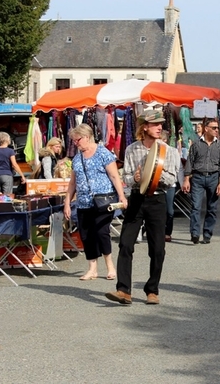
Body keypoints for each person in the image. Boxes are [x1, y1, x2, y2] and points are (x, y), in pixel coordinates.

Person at [105, 109, 179, 306]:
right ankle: (123, 290)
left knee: (157, 249)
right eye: (155, 124)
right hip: (137, 198)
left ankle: (152, 290)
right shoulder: (131, 149)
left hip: (157, 199)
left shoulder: (169, 151)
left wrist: (153, 173)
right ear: (144, 126)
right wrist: (136, 178)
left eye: (160, 124)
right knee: (126, 244)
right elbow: (126, 176)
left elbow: (172, 179)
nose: (159, 127)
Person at [64, 124, 127, 281]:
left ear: (86, 137)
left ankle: (110, 266)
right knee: (86, 235)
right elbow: (73, 183)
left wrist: (121, 196)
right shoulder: (77, 158)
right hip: (83, 202)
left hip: (103, 199)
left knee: (101, 232)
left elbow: (114, 176)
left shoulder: (103, 153)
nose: (75, 143)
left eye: (77, 140)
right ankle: (92, 268)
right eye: (73, 141)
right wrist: (67, 202)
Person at [182, 117, 220, 245]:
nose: (216, 130)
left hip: (213, 177)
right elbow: (190, 162)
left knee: (212, 208)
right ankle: (195, 233)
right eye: (214, 128)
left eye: (217, 128)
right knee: (195, 207)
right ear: (206, 129)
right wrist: (186, 179)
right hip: (198, 178)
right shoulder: (196, 144)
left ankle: (207, 234)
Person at [0, 132, 25, 197]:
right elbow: (14, 165)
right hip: (7, 175)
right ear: (7, 140)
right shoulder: (10, 151)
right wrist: (22, 175)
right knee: (7, 197)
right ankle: (6, 207)